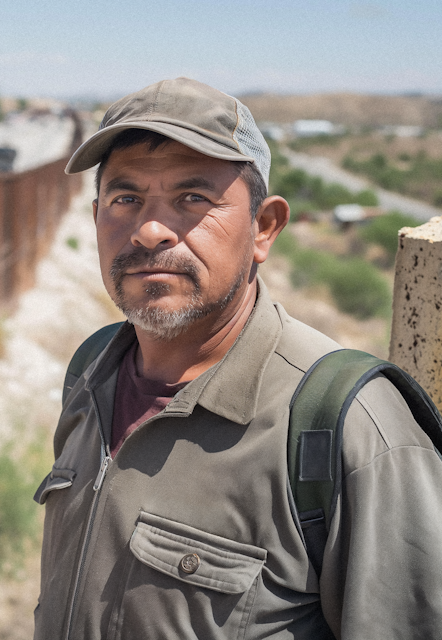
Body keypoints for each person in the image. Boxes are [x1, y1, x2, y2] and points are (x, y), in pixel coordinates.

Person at [33, 77, 442, 639]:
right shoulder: (91, 369)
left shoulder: (347, 425)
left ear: (264, 228)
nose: (150, 231)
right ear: (97, 218)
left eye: (192, 200)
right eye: (125, 199)